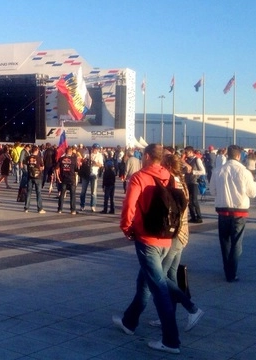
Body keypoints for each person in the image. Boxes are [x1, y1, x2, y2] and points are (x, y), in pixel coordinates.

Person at [113, 143, 181, 355]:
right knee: (144, 281)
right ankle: (129, 322)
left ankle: (171, 340)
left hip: (147, 238)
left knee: (159, 289)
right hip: (166, 237)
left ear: (149, 156)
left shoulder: (140, 177)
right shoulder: (170, 176)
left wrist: (126, 228)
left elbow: (129, 206)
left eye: (143, 155)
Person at [148, 152, 204, 330]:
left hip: (175, 235)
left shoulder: (172, 181)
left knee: (160, 277)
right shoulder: (181, 181)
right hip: (182, 234)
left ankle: (192, 309)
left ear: (168, 166)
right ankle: (168, 315)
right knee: (171, 276)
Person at [210, 145, 256, 282]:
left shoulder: (218, 170)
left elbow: (212, 191)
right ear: (238, 156)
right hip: (239, 211)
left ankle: (227, 270)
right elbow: (252, 193)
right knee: (236, 243)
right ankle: (232, 272)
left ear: (228, 155)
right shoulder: (244, 171)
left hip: (222, 210)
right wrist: (255, 184)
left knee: (225, 242)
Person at [79, 143, 104, 212]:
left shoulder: (99, 155)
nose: (95, 150)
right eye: (94, 149)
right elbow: (82, 160)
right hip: (86, 173)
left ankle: (93, 205)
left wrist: (95, 163)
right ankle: (82, 205)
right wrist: (84, 160)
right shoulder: (87, 152)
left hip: (94, 174)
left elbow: (101, 165)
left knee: (93, 192)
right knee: (83, 191)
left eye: (96, 149)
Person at [55, 146, 78, 215]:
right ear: (71, 152)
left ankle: (60, 209)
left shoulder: (61, 159)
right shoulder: (74, 159)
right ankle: (73, 210)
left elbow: (56, 168)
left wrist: (58, 177)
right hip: (71, 178)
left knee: (62, 194)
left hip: (63, 178)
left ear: (65, 152)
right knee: (72, 194)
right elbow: (76, 169)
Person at [23, 146, 45, 213]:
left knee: (29, 192)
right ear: (37, 150)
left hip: (30, 176)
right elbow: (42, 167)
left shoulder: (28, 157)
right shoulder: (39, 158)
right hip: (37, 177)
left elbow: (24, 165)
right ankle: (40, 208)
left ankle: (26, 208)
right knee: (38, 192)